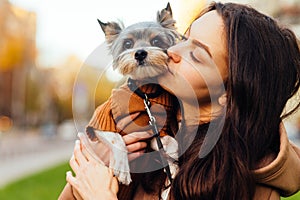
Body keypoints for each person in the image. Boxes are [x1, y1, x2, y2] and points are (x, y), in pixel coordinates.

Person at [59, 1, 300, 199]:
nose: (172, 51)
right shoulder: (134, 115)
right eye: (184, 38)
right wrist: (97, 168)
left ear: (228, 93)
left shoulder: (254, 187)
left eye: (196, 55)